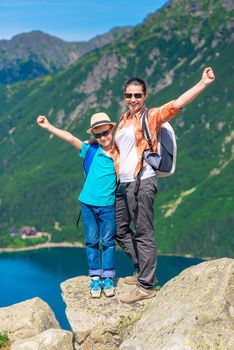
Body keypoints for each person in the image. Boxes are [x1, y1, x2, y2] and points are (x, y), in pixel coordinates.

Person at [114, 67, 215, 303]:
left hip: (143, 181)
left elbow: (176, 104)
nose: (133, 100)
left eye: (138, 95)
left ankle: (146, 286)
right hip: (124, 183)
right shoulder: (123, 120)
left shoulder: (151, 117)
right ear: (124, 97)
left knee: (143, 232)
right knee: (119, 229)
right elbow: (119, 150)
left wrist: (202, 83)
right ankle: (142, 270)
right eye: (129, 95)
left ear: (145, 96)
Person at [37, 112, 117, 298]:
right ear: (93, 136)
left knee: (108, 242)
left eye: (105, 133)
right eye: (98, 135)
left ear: (111, 130)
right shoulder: (89, 150)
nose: (103, 137)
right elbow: (70, 138)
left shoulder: (119, 151)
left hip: (108, 206)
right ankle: (95, 278)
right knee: (91, 241)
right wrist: (48, 127)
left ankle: (108, 277)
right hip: (87, 205)